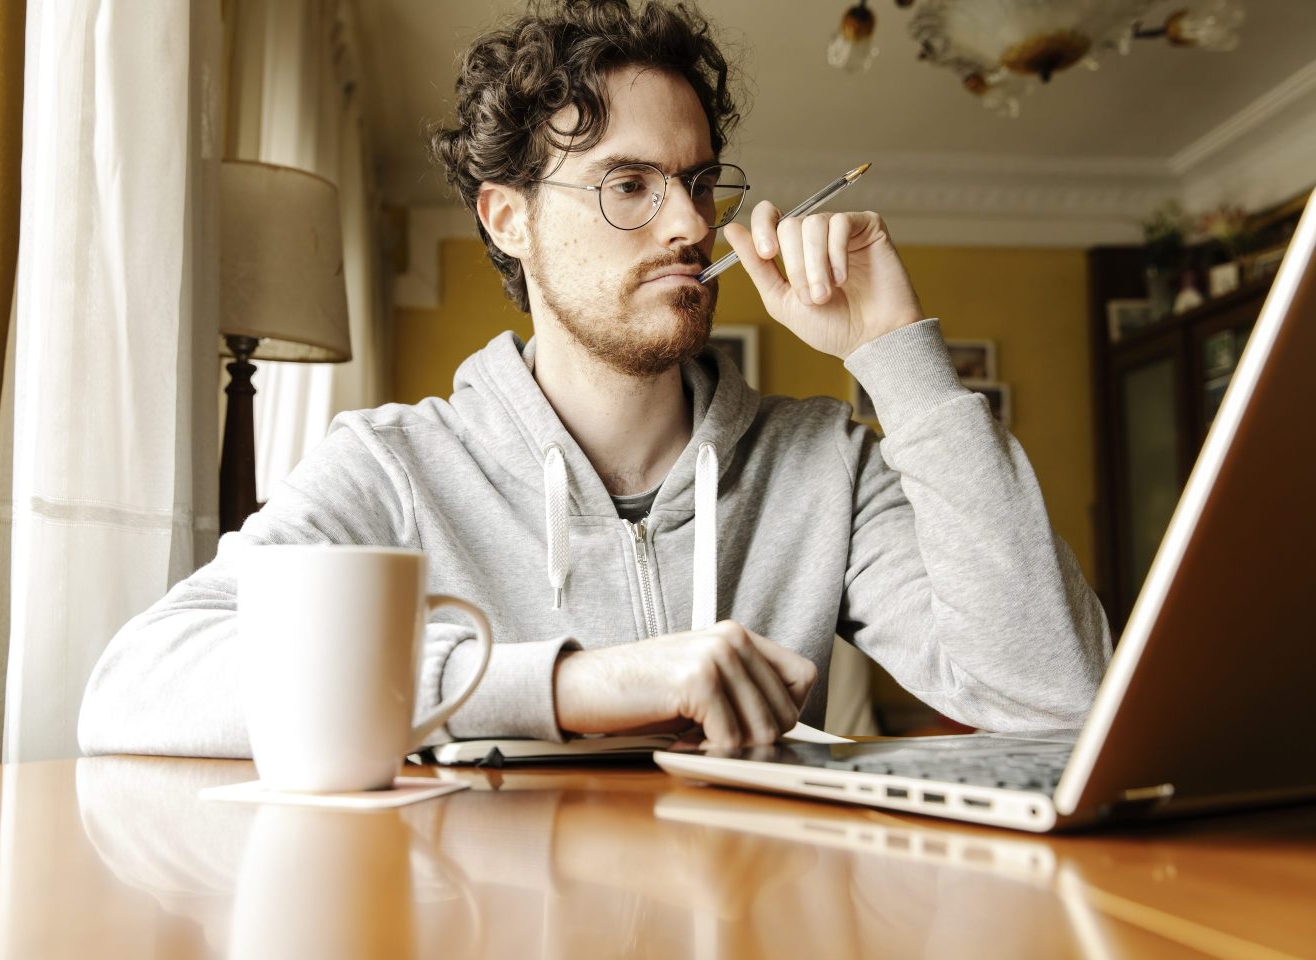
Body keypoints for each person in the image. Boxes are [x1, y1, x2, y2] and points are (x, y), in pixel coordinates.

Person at [78, 0, 1110, 757]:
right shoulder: (393, 466)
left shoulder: (823, 464)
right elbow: (136, 686)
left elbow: (1058, 697)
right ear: (509, 218)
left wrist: (899, 355)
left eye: (698, 183)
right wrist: (569, 685)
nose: (690, 225)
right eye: (629, 184)